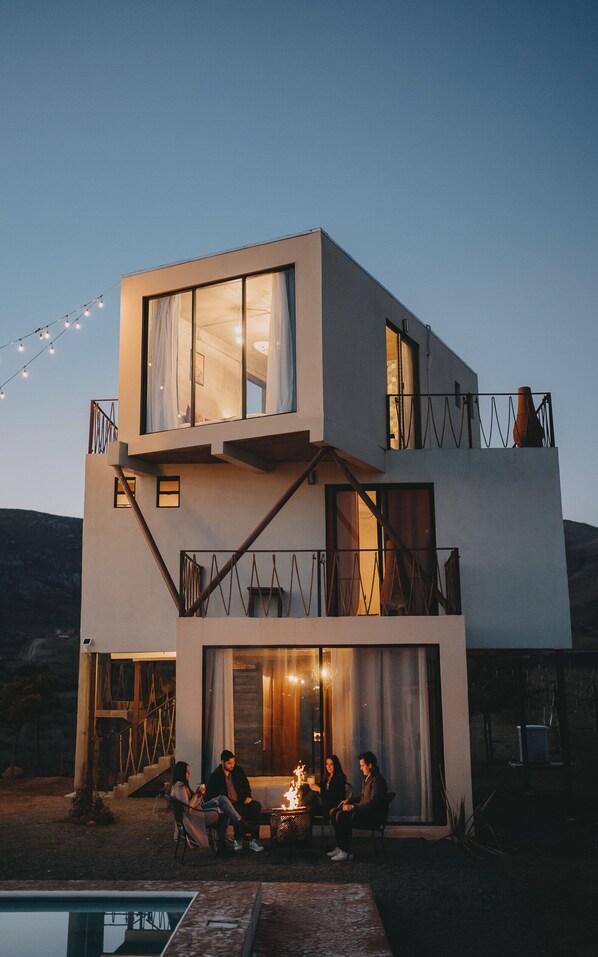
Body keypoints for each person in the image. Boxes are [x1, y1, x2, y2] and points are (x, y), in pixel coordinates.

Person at [170, 760, 245, 855]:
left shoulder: (178, 786)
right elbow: (188, 809)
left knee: (222, 798)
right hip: (194, 817)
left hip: (197, 809)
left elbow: (190, 804)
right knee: (224, 812)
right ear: (181, 773)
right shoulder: (180, 788)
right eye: (187, 772)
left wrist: (199, 794)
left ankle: (237, 820)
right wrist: (197, 794)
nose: (189, 774)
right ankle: (222, 846)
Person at [328, 750, 388, 862]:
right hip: (363, 812)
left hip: (371, 817)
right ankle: (341, 847)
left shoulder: (378, 781)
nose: (360, 768)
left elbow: (372, 803)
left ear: (370, 765)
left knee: (341, 815)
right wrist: (349, 800)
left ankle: (346, 851)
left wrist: (353, 807)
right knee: (334, 811)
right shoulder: (369, 779)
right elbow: (363, 797)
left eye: (362, 766)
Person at [205, 749, 265, 852]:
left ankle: (254, 840)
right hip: (228, 805)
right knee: (235, 811)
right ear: (222, 762)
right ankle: (238, 838)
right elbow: (209, 795)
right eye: (229, 763)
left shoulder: (238, 771)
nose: (232, 765)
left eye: (233, 762)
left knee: (256, 806)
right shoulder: (215, 776)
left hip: (242, 801)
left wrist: (248, 796)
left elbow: (246, 785)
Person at [308, 754, 348, 822]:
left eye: (331, 764)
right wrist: (313, 785)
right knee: (309, 804)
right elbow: (322, 786)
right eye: (327, 764)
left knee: (310, 807)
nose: (328, 767)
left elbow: (334, 795)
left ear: (335, 765)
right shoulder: (327, 777)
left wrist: (319, 789)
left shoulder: (340, 778)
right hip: (325, 802)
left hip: (334, 804)